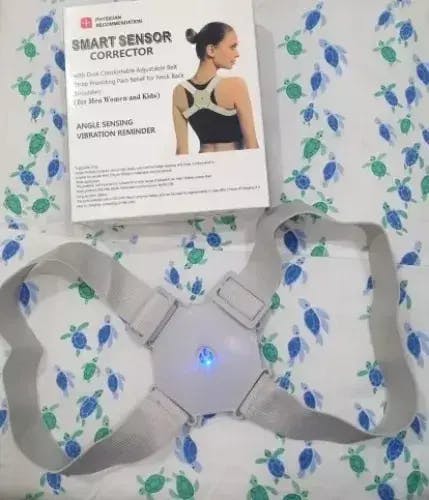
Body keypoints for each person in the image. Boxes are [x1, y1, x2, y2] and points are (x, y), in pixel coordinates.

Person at [172, 22, 259, 154]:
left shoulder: (179, 91)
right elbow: (252, 145)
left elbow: (181, 152)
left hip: (203, 164)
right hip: (232, 163)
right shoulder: (236, 86)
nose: (237, 54)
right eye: (232, 47)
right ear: (211, 50)